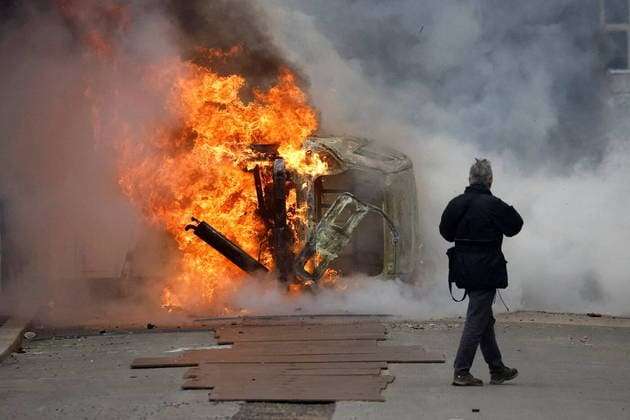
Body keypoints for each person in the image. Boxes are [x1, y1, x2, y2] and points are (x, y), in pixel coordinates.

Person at [439, 158, 523, 386]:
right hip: (486, 269)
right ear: (490, 180)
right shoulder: (494, 204)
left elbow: (445, 232)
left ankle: (497, 369)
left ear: (469, 179)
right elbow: (515, 226)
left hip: (463, 269)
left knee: (484, 317)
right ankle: (461, 371)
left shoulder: (457, 203)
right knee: (477, 318)